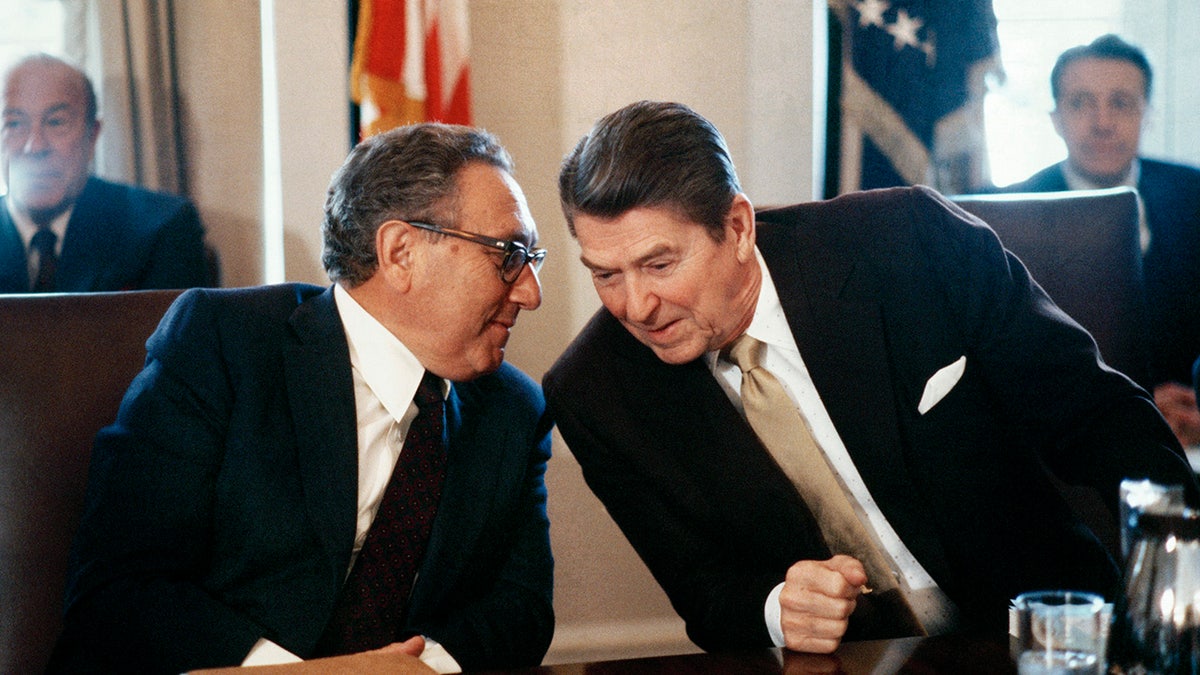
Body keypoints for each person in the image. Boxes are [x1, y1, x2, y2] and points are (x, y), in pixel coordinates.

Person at [544, 100, 1200, 655]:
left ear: (738, 227)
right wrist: (778, 607)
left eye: (659, 264)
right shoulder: (594, 394)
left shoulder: (907, 240)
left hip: (1042, 638)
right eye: (605, 273)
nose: (635, 306)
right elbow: (705, 592)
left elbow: (1100, 417)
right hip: (846, 665)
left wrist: (1182, 579)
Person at [47, 123, 553, 673]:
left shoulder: (512, 410)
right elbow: (119, 589)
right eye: (509, 254)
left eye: (532, 257)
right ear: (401, 252)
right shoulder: (223, 345)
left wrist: (419, 669)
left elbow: (520, 609)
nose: (531, 291)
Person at [1004, 34, 1200, 448]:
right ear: (1056, 118)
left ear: (1146, 113)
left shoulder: (1195, 196)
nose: (1103, 122)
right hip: (1064, 442)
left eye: (1121, 103)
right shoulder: (1007, 213)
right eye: (1080, 103)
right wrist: (1137, 403)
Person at [0, 53, 208, 292]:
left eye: (56, 122)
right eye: (14, 124)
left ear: (92, 136)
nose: (35, 147)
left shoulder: (161, 228)